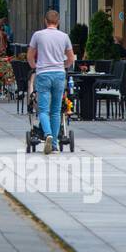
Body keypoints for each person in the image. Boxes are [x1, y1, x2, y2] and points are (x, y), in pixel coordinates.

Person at [28, 10, 76, 154]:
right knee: (56, 110)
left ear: (45, 21)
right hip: (59, 74)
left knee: (43, 109)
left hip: (43, 74)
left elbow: (30, 55)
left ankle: (47, 134)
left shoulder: (38, 35)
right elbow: (71, 58)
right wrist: (64, 66)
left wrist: (35, 67)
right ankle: (54, 144)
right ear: (58, 21)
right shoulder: (64, 36)